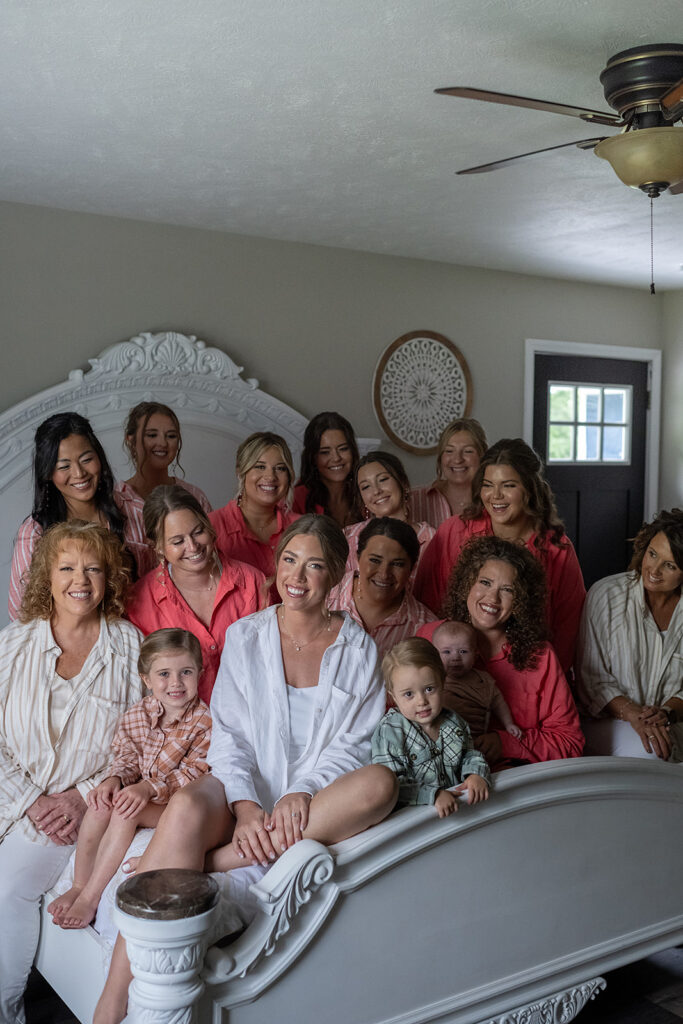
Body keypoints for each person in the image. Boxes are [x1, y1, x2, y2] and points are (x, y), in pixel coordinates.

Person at [93, 513, 396, 1024]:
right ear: (276, 567)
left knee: (380, 784)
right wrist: (248, 806)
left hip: (314, 804)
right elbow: (228, 736)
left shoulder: (359, 648)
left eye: (315, 565)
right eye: (290, 560)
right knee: (187, 804)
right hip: (242, 792)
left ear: (338, 576)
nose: (298, 576)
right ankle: (111, 1000)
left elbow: (355, 744)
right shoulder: (245, 635)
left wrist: (303, 790)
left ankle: (216, 861)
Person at [0, 521, 142, 1024]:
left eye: (93, 569)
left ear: (109, 579)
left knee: (9, 887)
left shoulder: (129, 646)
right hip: (16, 801)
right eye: (67, 568)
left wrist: (83, 795)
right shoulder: (13, 644)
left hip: (76, 814)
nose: (79, 580)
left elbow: (139, 734)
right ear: (46, 575)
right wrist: (29, 800)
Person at [48, 628, 211, 930]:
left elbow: (195, 772)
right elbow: (126, 756)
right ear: (146, 680)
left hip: (175, 808)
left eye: (185, 672)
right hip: (143, 792)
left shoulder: (204, 721)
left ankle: (91, 897)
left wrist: (148, 788)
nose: (175, 683)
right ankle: (78, 884)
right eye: (164, 674)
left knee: (126, 812)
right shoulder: (138, 714)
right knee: (100, 804)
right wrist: (114, 779)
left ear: (200, 673)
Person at [414, 438, 585, 673]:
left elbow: (568, 628)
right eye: (487, 484)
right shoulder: (454, 531)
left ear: (529, 488)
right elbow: (427, 606)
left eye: (508, 485)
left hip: (526, 672)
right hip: (456, 671)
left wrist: (547, 681)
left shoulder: (557, 548)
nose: (495, 496)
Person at [443, 535, 584, 766]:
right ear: (467, 583)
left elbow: (570, 742)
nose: (492, 598)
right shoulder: (431, 637)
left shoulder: (540, 657)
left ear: (521, 601)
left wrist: (505, 743)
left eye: (507, 589)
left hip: (517, 784)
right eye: (485, 582)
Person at [126, 486, 264, 702]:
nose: (192, 547)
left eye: (198, 531)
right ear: (158, 547)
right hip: (180, 731)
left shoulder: (252, 582)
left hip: (251, 721)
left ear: (209, 526)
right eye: (177, 541)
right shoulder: (139, 602)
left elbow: (270, 665)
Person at [576, 509, 683, 762]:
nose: (654, 570)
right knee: (652, 752)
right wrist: (634, 714)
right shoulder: (606, 595)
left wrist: (666, 713)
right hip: (606, 722)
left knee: (662, 745)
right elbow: (592, 680)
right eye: (652, 554)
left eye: (669, 565)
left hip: (672, 722)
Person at [8, 412, 129, 619]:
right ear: (48, 473)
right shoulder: (34, 533)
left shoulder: (131, 510)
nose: (79, 473)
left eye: (86, 459)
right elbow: (22, 614)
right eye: (64, 466)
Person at [371, 638, 490, 817]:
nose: (422, 701)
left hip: (461, 812)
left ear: (442, 683)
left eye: (429, 689)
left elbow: (469, 754)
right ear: (393, 697)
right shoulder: (389, 732)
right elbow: (393, 786)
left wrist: (476, 773)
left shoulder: (454, 722)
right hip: (415, 821)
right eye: (409, 694)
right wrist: (433, 795)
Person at [115, 402, 212, 577]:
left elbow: (214, 558)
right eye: (152, 435)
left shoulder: (195, 497)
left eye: (171, 436)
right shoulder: (115, 502)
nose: (162, 443)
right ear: (130, 439)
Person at [327, 517, 437, 660]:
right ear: (357, 558)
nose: (384, 574)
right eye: (375, 560)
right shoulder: (324, 597)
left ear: (412, 568)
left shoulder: (424, 628)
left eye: (397, 564)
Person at [209, 431, 299, 600]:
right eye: (260, 466)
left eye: (280, 468)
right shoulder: (211, 527)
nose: (270, 476)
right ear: (240, 471)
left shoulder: (301, 528)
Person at [345, 451, 435, 581]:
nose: (376, 491)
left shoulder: (430, 538)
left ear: (402, 482)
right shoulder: (349, 538)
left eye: (383, 479)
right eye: (366, 487)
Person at [432, 620, 522, 740]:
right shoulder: (432, 678)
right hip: (440, 739)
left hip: (474, 741)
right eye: (447, 652)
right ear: (434, 655)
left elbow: (499, 703)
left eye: (463, 651)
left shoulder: (484, 680)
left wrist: (508, 724)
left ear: (475, 654)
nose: (455, 658)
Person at [409, 417, 488, 529]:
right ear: (441, 457)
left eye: (468, 451)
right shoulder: (413, 500)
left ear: (482, 456)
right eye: (449, 451)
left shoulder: (493, 501)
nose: (457, 459)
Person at [293, 411, 360, 527]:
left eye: (343, 449)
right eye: (325, 452)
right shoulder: (297, 498)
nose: (336, 458)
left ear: (353, 451)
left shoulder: (364, 492)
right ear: (312, 457)